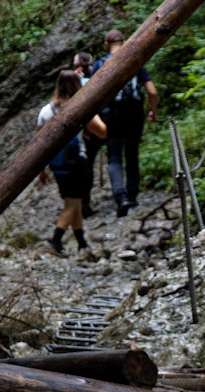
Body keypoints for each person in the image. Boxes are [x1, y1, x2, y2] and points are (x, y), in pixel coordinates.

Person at [36, 70, 107, 256]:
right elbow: (102, 131)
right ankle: (55, 240)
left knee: (72, 202)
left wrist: (41, 171)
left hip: (57, 166)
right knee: (72, 204)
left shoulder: (45, 111)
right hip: (77, 164)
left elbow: (37, 144)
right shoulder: (80, 107)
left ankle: (82, 243)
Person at [90, 29, 158, 217]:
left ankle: (121, 198)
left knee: (114, 157)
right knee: (132, 153)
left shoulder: (100, 64)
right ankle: (133, 195)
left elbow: (90, 95)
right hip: (134, 116)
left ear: (106, 44)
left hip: (111, 116)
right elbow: (152, 92)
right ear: (124, 41)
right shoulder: (135, 61)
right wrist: (153, 111)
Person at [73, 51, 101, 218]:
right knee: (87, 166)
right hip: (94, 124)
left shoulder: (78, 79)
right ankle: (84, 203)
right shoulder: (97, 74)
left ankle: (82, 203)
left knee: (84, 167)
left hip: (86, 127)